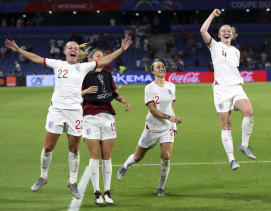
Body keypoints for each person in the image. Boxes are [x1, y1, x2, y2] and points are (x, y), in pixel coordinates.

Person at [4, 36, 132, 199]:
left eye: (76, 48)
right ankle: (43, 176)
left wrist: (121, 50)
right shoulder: (57, 64)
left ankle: (72, 181)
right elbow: (36, 58)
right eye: (70, 48)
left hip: (75, 113)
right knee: (48, 147)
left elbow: (103, 61)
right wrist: (19, 50)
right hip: (56, 111)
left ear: (79, 54)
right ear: (65, 51)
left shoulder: (84, 67)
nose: (73, 50)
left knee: (74, 149)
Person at [116, 59, 182, 197]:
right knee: (138, 157)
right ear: (153, 71)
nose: (161, 68)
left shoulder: (172, 86)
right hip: (152, 127)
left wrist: (173, 123)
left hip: (167, 127)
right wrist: (170, 118)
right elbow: (152, 110)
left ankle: (160, 188)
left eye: (163, 66)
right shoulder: (149, 88)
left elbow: (171, 107)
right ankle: (125, 166)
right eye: (158, 67)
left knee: (166, 156)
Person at [200, 9, 256, 170]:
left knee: (249, 112)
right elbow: (203, 30)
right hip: (221, 90)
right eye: (223, 30)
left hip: (236, 87)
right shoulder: (215, 46)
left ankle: (244, 145)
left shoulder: (236, 51)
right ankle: (232, 159)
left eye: (229, 30)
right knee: (226, 125)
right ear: (218, 35)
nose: (226, 32)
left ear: (232, 35)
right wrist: (212, 15)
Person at [81, 49, 131, 204]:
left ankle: (107, 192)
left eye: (102, 56)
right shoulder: (84, 75)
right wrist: (86, 91)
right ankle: (97, 193)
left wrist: (124, 101)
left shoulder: (108, 75)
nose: (101, 58)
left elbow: (114, 93)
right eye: (98, 56)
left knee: (107, 156)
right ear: (90, 60)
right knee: (94, 156)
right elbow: (73, 93)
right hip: (90, 117)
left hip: (108, 116)